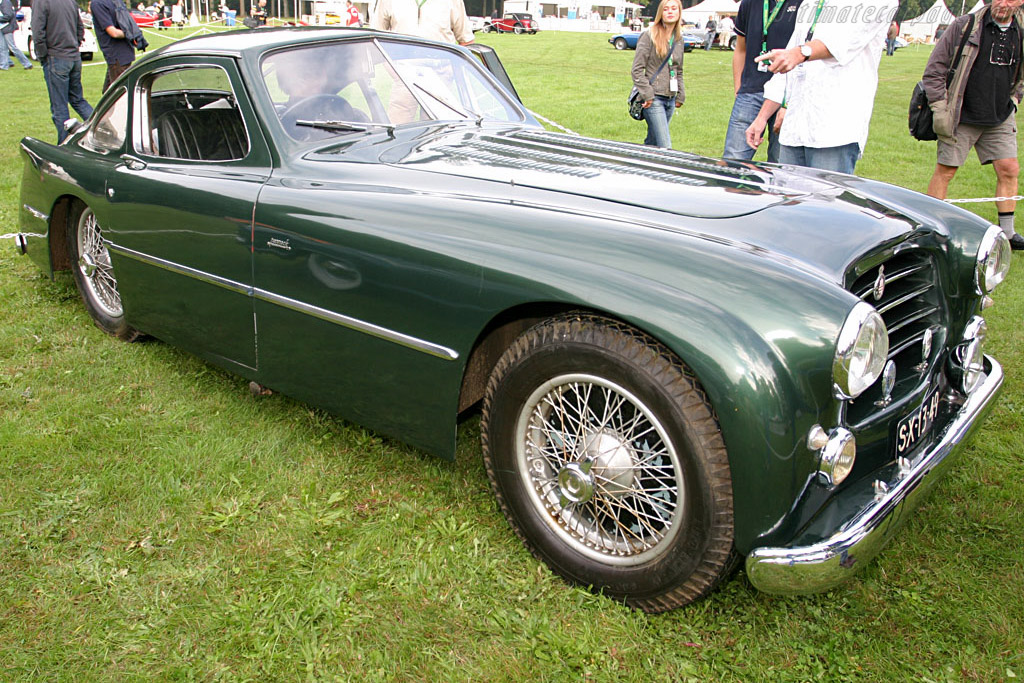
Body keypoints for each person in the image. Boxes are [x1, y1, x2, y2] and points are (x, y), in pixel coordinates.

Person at [744, 0, 897, 174]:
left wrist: (800, 53)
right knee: (786, 199)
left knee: (825, 200)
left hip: (834, 131)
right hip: (795, 128)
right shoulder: (810, 2)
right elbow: (788, 63)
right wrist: (762, 117)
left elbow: (840, 44)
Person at [923, 0, 1024, 250]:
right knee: (946, 170)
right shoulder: (964, 25)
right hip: (960, 114)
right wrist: (940, 108)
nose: (1002, 3)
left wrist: (1015, 99)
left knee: (1009, 169)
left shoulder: (1021, 30)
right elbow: (934, 70)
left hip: (999, 115)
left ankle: (1008, 233)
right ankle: (931, 229)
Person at [722, 0, 802, 162]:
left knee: (780, 164)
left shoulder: (804, 3)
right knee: (733, 162)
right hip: (751, 92)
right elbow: (740, 49)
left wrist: (788, 103)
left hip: (788, 95)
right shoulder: (750, 3)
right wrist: (739, 88)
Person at [31, 0, 93, 142]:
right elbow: (80, 28)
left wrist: (42, 56)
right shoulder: (70, 2)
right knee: (78, 100)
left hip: (56, 56)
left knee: (59, 107)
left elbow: (37, 31)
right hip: (73, 57)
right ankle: (101, 129)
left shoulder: (41, 2)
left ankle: (65, 145)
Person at [631, 0, 685, 148]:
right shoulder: (649, 35)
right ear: (660, 12)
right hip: (653, 99)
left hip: (671, 98)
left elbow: (678, 70)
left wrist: (680, 94)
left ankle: (639, 166)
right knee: (665, 146)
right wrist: (647, 93)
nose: (670, 11)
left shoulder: (679, 39)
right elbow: (636, 69)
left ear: (679, 12)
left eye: (674, 8)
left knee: (653, 142)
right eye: (666, 9)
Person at [372, 0, 473, 45]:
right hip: (402, 76)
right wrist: (391, 69)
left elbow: (466, 41)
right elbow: (374, 37)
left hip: (442, 77)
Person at [92, 0, 137, 91]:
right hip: (124, 55)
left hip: (116, 57)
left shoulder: (97, 3)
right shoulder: (116, 1)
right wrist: (132, 34)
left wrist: (130, 34)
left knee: (118, 97)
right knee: (107, 94)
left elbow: (114, 33)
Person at [1, 0, 33, 70]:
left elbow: (8, 16)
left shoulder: (5, 3)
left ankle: (27, 64)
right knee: (2, 47)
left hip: (7, 27)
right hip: (2, 27)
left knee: (12, 47)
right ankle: (4, 65)